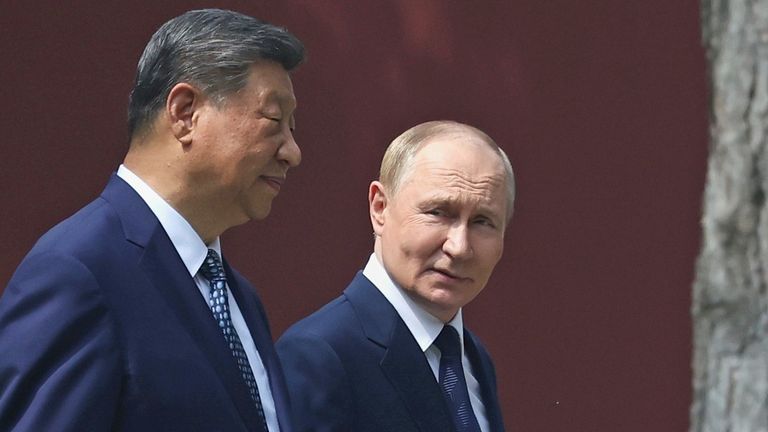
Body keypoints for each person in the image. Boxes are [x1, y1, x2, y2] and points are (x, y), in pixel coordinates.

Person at [0, 9, 304, 432]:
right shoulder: (78, 273)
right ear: (184, 112)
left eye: (292, 127)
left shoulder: (240, 297)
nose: (293, 151)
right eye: (273, 120)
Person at [276, 120, 512, 432]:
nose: (459, 247)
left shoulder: (472, 359)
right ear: (380, 208)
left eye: (483, 221)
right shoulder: (319, 355)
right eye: (438, 212)